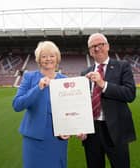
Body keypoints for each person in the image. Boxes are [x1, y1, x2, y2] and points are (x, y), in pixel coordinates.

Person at [80, 33, 136, 168]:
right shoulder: (84, 73)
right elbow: (81, 104)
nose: (97, 48)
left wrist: (103, 84)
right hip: (92, 132)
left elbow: (130, 94)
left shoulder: (123, 66)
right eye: (93, 46)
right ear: (90, 51)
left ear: (108, 46)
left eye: (101, 45)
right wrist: (81, 126)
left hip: (115, 130)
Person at [12, 41, 69, 168]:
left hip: (58, 138)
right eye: (44, 56)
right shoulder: (29, 77)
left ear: (57, 58)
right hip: (34, 138)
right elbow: (17, 105)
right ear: (39, 59)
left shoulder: (64, 80)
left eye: (52, 55)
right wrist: (38, 88)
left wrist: (69, 128)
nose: (48, 59)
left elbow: (69, 109)